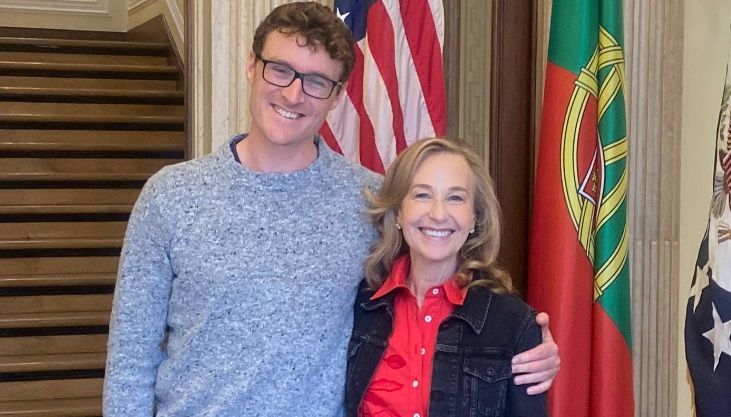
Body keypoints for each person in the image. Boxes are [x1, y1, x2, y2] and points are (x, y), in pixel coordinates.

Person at [103, 3, 558, 417]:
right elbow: (131, 358)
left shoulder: (373, 199)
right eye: (280, 70)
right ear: (251, 67)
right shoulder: (170, 196)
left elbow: (439, 278)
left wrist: (527, 346)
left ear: (337, 96)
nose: (293, 94)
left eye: (317, 81)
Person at [346, 138, 547, 417]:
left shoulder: (514, 323)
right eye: (422, 195)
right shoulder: (358, 307)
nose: (438, 214)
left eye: (455, 198)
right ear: (398, 213)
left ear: (474, 217)